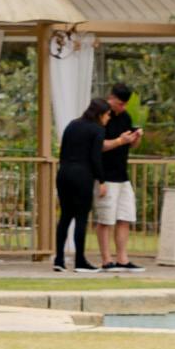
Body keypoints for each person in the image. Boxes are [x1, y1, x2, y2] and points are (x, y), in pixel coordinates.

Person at [52, 93, 109, 270]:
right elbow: (95, 157)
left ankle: (59, 260)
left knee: (65, 217)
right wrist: (102, 180)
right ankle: (80, 260)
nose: (108, 118)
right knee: (81, 217)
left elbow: (62, 152)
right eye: (107, 114)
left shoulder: (72, 125)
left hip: (64, 174)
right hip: (82, 175)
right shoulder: (98, 130)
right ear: (100, 114)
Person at [93, 82, 143, 269]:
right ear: (111, 98)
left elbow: (130, 145)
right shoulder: (102, 116)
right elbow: (99, 145)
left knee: (125, 216)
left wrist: (135, 139)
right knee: (106, 218)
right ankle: (106, 259)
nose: (122, 107)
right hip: (105, 175)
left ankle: (123, 258)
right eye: (119, 103)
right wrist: (121, 140)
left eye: (124, 104)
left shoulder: (126, 117)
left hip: (123, 175)